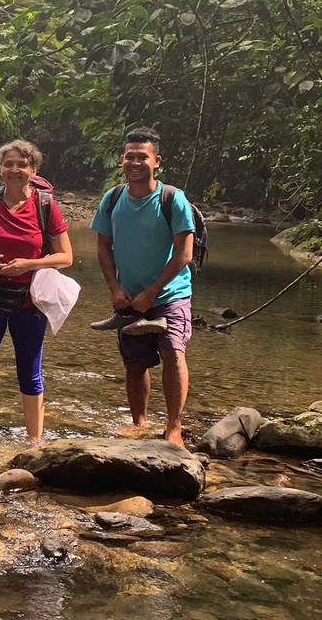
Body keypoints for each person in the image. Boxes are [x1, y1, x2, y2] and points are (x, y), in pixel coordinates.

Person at [0, 140, 73, 445]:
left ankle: (34, 442)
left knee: (30, 370)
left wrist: (30, 263)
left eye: (22, 165)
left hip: (29, 302)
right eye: (8, 164)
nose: (15, 170)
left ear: (33, 170)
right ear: (0, 170)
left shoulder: (45, 206)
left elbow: (66, 256)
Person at [90, 127, 194, 446]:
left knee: (173, 353)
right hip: (129, 298)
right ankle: (139, 422)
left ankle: (174, 427)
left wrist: (153, 292)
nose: (135, 162)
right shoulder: (113, 198)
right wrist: (114, 288)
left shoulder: (172, 199)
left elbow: (184, 254)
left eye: (142, 157)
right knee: (135, 363)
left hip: (170, 294)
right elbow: (103, 247)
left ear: (157, 161)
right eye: (129, 157)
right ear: (122, 160)